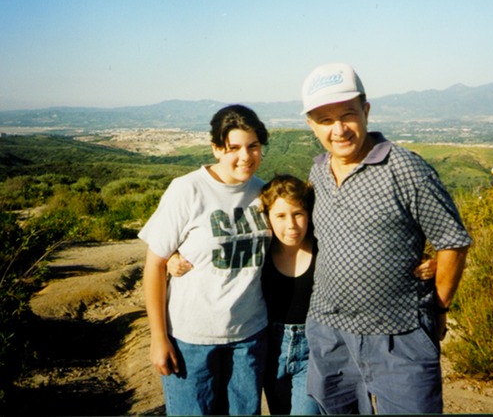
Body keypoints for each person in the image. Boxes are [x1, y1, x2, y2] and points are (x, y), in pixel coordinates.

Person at [168, 173, 438, 415]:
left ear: (309, 213)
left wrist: (422, 263)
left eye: (298, 214)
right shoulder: (260, 248)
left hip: (314, 345)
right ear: (267, 217)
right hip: (269, 345)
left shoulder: (326, 248)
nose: (291, 225)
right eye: (281, 216)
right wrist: (172, 256)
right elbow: (217, 253)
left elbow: (370, 261)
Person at [299, 62, 473, 414]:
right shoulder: (317, 171)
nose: (338, 130)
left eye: (347, 115)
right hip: (329, 332)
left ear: (366, 111)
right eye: (325, 120)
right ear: (311, 125)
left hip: (400, 333)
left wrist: (439, 308)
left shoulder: (405, 168)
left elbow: (452, 241)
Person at [139, 104, 272, 416]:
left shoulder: (263, 192)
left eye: (253, 147)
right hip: (191, 339)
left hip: (249, 337)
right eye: (233, 148)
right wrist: (158, 338)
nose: (245, 157)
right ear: (216, 149)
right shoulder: (188, 190)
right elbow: (154, 266)